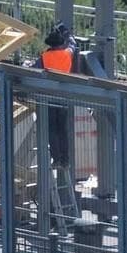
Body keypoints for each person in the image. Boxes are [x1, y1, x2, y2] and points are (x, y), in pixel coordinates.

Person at [34, 23, 79, 168]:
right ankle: (66, 159)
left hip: (48, 95)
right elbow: (73, 44)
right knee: (63, 129)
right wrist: (66, 31)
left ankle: (57, 159)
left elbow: (34, 70)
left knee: (52, 129)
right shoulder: (67, 54)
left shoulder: (44, 57)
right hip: (64, 96)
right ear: (60, 43)